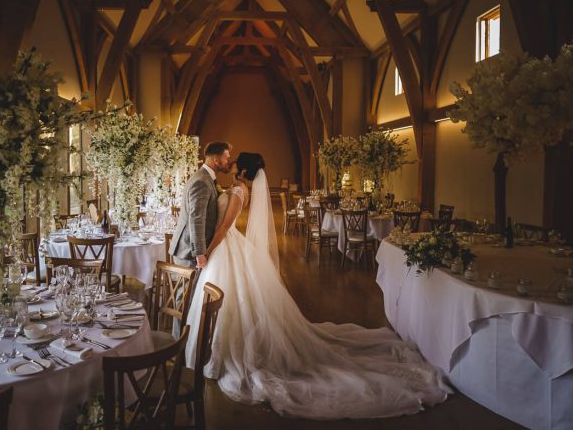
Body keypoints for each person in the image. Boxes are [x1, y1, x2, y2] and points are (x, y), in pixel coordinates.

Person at [184, 152, 450, 420]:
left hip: (223, 247)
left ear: (241, 170)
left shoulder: (240, 192)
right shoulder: (236, 188)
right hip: (227, 250)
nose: (229, 163)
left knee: (235, 301)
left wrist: (205, 251)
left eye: (233, 161)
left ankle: (219, 352)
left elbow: (225, 227)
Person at [169, 141, 232, 334]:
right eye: (226, 157)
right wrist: (200, 253)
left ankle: (184, 343)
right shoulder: (201, 181)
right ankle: (176, 345)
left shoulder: (206, 178)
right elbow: (197, 219)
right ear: (216, 159)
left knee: (189, 298)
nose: (228, 161)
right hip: (188, 250)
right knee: (183, 299)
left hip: (190, 249)